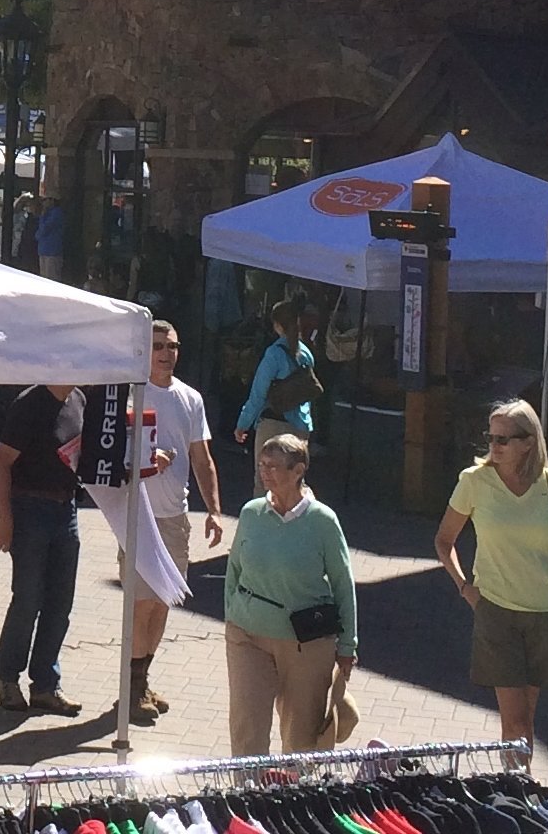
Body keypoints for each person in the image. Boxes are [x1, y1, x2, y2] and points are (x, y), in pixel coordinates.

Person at [434, 400, 548, 753]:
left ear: (528, 443)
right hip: (496, 611)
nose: (493, 446)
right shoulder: (474, 481)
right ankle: (518, 792)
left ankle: (520, 791)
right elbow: (444, 540)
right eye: (491, 437)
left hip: (545, 613)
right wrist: (465, 588)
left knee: (526, 718)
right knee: (514, 720)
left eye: (503, 439)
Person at [223, 433, 357, 755]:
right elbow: (234, 570)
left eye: (273, 466)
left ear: (298, 471)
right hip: (247, 634)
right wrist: (233, 612)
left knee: (301, 736)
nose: (264, 472)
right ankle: (247, 797)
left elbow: (343, 583)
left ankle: (292, 798)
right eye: (261, 465)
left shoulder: (322, 521)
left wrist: (348, 645)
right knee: (246, 726)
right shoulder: (251, 513)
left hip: (305, 642)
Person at [124, 320, 224, 724]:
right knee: (141, 603)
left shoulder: (190, 399)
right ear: (145, 350)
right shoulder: (131, 392)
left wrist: (214, 510)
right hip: (138, 517)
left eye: (174, 346)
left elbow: (202, 459)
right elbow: (116, 454)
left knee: (164, 601)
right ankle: (131, 690)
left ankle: (142, 678)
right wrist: (148, 463)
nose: (167, 353)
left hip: (175, 518)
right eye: (159, 346)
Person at [0, 383, 85, 716]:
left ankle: (45, 685)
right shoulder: (28, 404)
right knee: (28, 599)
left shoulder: (78, 401)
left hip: (66, 511)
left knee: (60, 602)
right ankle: (7, 677)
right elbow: (1, 463)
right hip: (29, 509)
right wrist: (5, 519)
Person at [235, 298, 317, 493]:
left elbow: (258, 394)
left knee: (265, 480)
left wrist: (242, 424)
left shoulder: (273, 354)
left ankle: (262, 523)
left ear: (277, 325)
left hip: (274, 424)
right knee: (294, 484)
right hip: (300, 425)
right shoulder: (306, 354)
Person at [35, 196, 66, 282]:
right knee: (43, 279)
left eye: (45, 200)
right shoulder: (46, 213)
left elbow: (45, 228)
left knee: (52, 279)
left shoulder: (57, 213)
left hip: (52, 251)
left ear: (52, 200)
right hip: (43, 250)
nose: (43, 203)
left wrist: (43, 215)